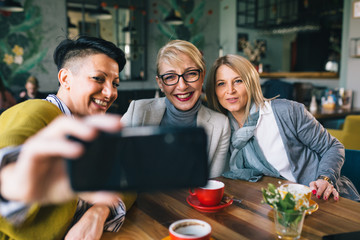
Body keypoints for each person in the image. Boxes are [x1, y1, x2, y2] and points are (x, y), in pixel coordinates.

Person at [0, 36, 136, 239]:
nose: (110, 92)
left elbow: (128, 181)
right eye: (98, 78)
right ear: (65, 79)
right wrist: (12, 186)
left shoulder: (88, 129)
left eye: (115, 83)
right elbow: (7, 173)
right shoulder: (35, 111)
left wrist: (98, 212)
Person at [205, 54, 360, 202]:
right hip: (273, 206)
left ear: (251, 82)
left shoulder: (286, 112)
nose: (230, 90)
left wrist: (325, 178)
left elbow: (332, 147)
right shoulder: (222, 128)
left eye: (238, 81)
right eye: (221, 83)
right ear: (214, 91)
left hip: (319, 197)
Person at [121, 40, 230, 178]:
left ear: (202, 76)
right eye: (170, 77)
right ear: (160, 83)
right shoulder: (137, 111)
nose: (182, 86)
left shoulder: (220, 125)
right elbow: (111, 163)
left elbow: (212, 183)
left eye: (190, 73)